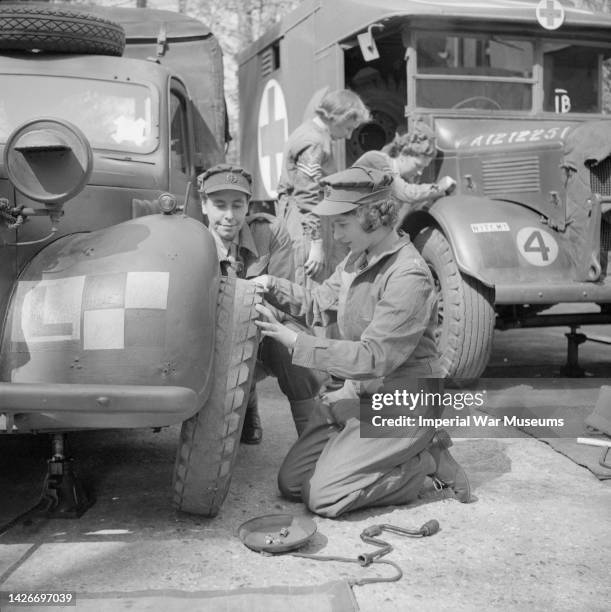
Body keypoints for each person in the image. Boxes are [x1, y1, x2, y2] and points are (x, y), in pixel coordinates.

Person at [252, 166, 472, 518]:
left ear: (372, 216)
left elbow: (375, 357)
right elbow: (317, 302)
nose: (336, 236)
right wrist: (270, 286)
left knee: (323, 497)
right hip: (363, 392)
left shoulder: (408, 275)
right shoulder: (358, 259)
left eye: (342, 224)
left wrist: (296, 342)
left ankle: (424, 463)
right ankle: (370, 453)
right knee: (293, 483)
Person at [198, 164, 325, 444]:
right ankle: (247, 404)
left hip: (261, 327)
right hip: (211, 338)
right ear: (204, 205)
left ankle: (314, 448)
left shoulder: (268, 232)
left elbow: (282, 300)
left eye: (238, 205)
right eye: (219, 205)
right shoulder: (192, 241)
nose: (229, 216)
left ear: (247, 206)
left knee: (294, 348)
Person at [276, 89, 370, 289]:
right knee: (310, 288)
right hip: (306, 225)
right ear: (337, 117)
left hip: (309, 221)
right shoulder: (315, 142)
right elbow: (307, 196)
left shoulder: (310, 133)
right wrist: (317, 244)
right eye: (347, 128)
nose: (349, 135)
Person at [354, 123, 456, 224]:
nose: (420, 172)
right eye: (418, 165)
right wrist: (439, 187)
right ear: (404, 154)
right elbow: (406, 193)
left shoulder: (404, 181)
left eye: (424, 168)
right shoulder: (376, 160)